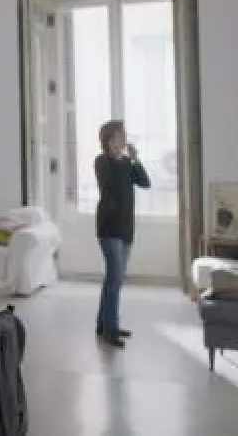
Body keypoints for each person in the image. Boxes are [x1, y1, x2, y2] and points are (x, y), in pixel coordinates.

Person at [94, 119, 150, 348]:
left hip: (126, 229)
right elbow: (110, 184)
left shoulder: (127, 163)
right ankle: (110, 329)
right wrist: (119, 158)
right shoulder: (102, 162)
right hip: (109, 228)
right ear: (110, 140)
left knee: (113, 279)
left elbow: (145, 182)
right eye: (120, 135)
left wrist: (135, 159)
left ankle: (103, 324)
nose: (125, 139)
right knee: (115, 279)